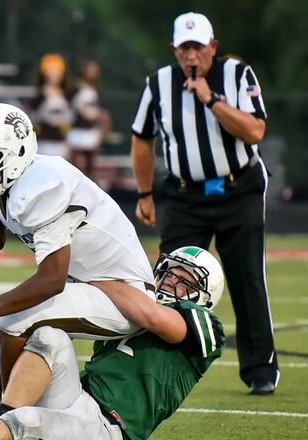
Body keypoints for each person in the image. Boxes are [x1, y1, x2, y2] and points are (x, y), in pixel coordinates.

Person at [0, 246, 226, 440]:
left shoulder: (206, 325)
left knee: (27, 422)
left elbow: (158, 320)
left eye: (184, 280)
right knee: (48, 335)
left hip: (111, 429)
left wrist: (102, 278)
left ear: (205, 294)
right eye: (168, 272)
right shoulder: (131, 305)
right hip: (78, 397)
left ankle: (4, 426)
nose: (170, 283)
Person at [0, 103, 155, 408]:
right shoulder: (2, 183)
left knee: (12, 320)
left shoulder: (44, 184)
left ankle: (11, 423)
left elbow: (51, 280)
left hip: (123, 295)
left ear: (16, 152)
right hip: (83, 284)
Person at [130, 11, 277, 395]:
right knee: (169, 281)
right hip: (183, 193)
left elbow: (256, 130)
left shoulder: (237, 75)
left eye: (198, 47)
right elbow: (141, 138)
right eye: (184, 48)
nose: (191, 56)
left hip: (238, 187)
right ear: (174, 50)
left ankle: (260, 371)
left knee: (247, 278)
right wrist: (145, 194)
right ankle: (160, 370)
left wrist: (211, 99)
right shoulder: (158, 84)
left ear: (213, 46)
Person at [66, 59, 107, 179]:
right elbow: (69, 104)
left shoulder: (95, 87)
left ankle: (89, 182)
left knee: (90, 160)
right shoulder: (77, 87)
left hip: (90, 129)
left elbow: (97, 108)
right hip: (78, 128)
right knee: (74, 160)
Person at [31, 54, 72, 157]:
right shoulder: (40, 94)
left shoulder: (67, 94)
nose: (55, 75)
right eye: (51, 71)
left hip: (61, 141)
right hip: (44, 141)